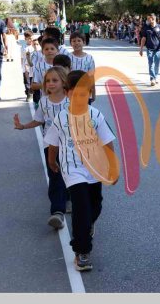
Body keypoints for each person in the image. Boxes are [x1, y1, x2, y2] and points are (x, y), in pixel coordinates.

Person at [45, 70, 119, 270]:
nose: (79, 97)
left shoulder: (96, 115)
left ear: (90, 94)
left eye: (84, 93)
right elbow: (53, 143)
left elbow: (107, 142)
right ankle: (82, 251)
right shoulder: (61, 118)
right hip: (72, 170)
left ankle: (88, 224)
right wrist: (52, 161)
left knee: (95, 205)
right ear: (67, 93)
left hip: (94, 169)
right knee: (81, 208)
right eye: (75, 93)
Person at [13, 66, 70, 229]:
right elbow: (39, 120)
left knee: (69, 174)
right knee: (55, 176)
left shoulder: (71, 100)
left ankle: (69, 198)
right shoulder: (44, 101)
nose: (50, 83)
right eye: (48, 81)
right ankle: (57, 212)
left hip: (70, 145)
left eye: (55, 80)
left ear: (63, 81)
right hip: (50, 145)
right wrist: (23, 126)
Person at [139, 14, 160, 87]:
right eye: (147, 19)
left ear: (153, 19)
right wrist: (141, 49)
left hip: (158, 49)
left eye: (149, 19)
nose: (148, 20)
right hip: (149, 49)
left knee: (157, 64)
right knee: (151, 64)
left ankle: (155, 76)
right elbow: (143, 38)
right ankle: (152, 78)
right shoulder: (146, 28)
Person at [69, 32, 96, 103]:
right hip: (71, 91)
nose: (76, 43)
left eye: (79, 41)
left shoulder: (89, 58)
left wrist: (93, 92)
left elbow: (91, 76)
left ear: (84, 42)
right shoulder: (68, 57)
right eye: (74, 41)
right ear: (71, 43)